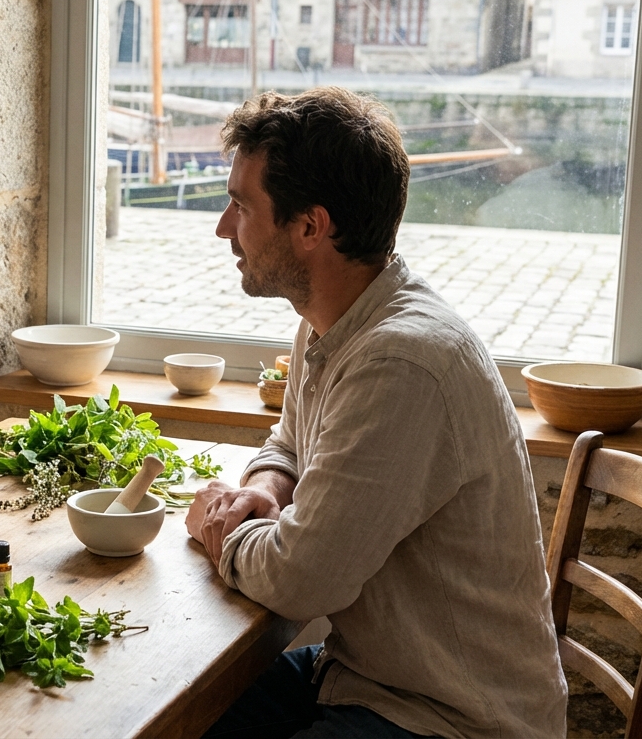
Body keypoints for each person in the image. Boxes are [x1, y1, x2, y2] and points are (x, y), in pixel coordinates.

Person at [186, 88, 567, 737]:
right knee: (186, 712)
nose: (224, 226)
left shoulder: (401, 362)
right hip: (368, 674)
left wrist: (215, 527)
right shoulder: (332, 317)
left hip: (448, 716)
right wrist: (258, 492)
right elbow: (288, 446)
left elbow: (300, 581)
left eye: (242, 205)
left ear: (311, 226)